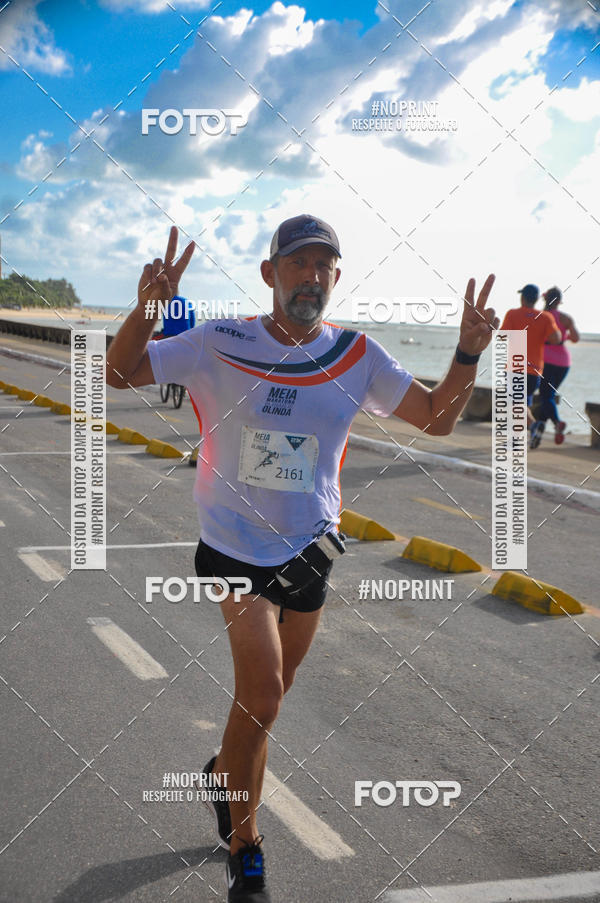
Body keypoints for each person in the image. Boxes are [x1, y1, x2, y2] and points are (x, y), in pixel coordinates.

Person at [106, 216, 499, 902]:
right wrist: (149, 311)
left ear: (336, 279)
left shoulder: (356, 355)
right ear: (270, 274)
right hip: (231, 547)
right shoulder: (220, 340)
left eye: (325, 266)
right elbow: (117, 373)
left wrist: (467, 355)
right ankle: (246, 852)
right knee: (262, 695)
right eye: (299, 263)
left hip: (311, 551)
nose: (312, 276)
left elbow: (436, 416)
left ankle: (221, 770)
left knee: (264, 705)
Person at [500, 284, 561, 449]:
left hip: (515, 367)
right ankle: (517, 439)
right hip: (534, 370)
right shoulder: (545, 317)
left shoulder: (512, 314)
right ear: (535, 299)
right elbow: (556, 338)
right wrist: (541, 337)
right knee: (522, 403)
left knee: (516, 405)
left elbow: (503, 337)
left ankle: (533, 426)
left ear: (522, 297)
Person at [538, 286, 579, 444]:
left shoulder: (540, 317)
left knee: (546, 396)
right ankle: (537, 434)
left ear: (545, 299)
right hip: (564, 363)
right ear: (560, 301)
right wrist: (565, 337)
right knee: (547, 396)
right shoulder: (566, 318)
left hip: (545, 360)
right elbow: (575, 338)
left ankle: (557, 423)